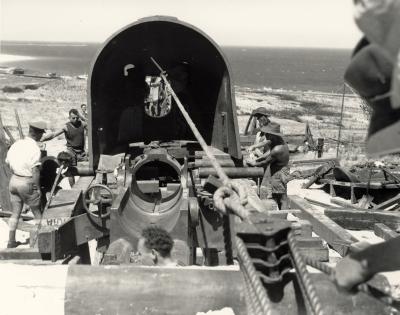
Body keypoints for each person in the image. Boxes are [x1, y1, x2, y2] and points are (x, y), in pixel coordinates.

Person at [5, 121, 47, 248]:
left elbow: (7, 162)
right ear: (37, 133)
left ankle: (11, 241)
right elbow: (35, 171)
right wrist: (38, 189)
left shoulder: (17, 144)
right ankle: (41, 242)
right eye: (41, 134)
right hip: (26, 182)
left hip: (14, 180)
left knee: (15, 213)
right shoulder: (34, 148)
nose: (41, 137)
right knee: (37, 213)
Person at [247, 122, 290, 209]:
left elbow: (265, 162)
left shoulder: (277, 149)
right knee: (278, 194)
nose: (265, 136)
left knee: (281, 196)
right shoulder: (278, 140)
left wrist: (254, 163)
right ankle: (281, 212)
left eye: (267, 134)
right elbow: (267, 146)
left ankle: (283, 217)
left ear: (273, 135)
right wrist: (255, 150)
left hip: (279, 173)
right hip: (281, 169)